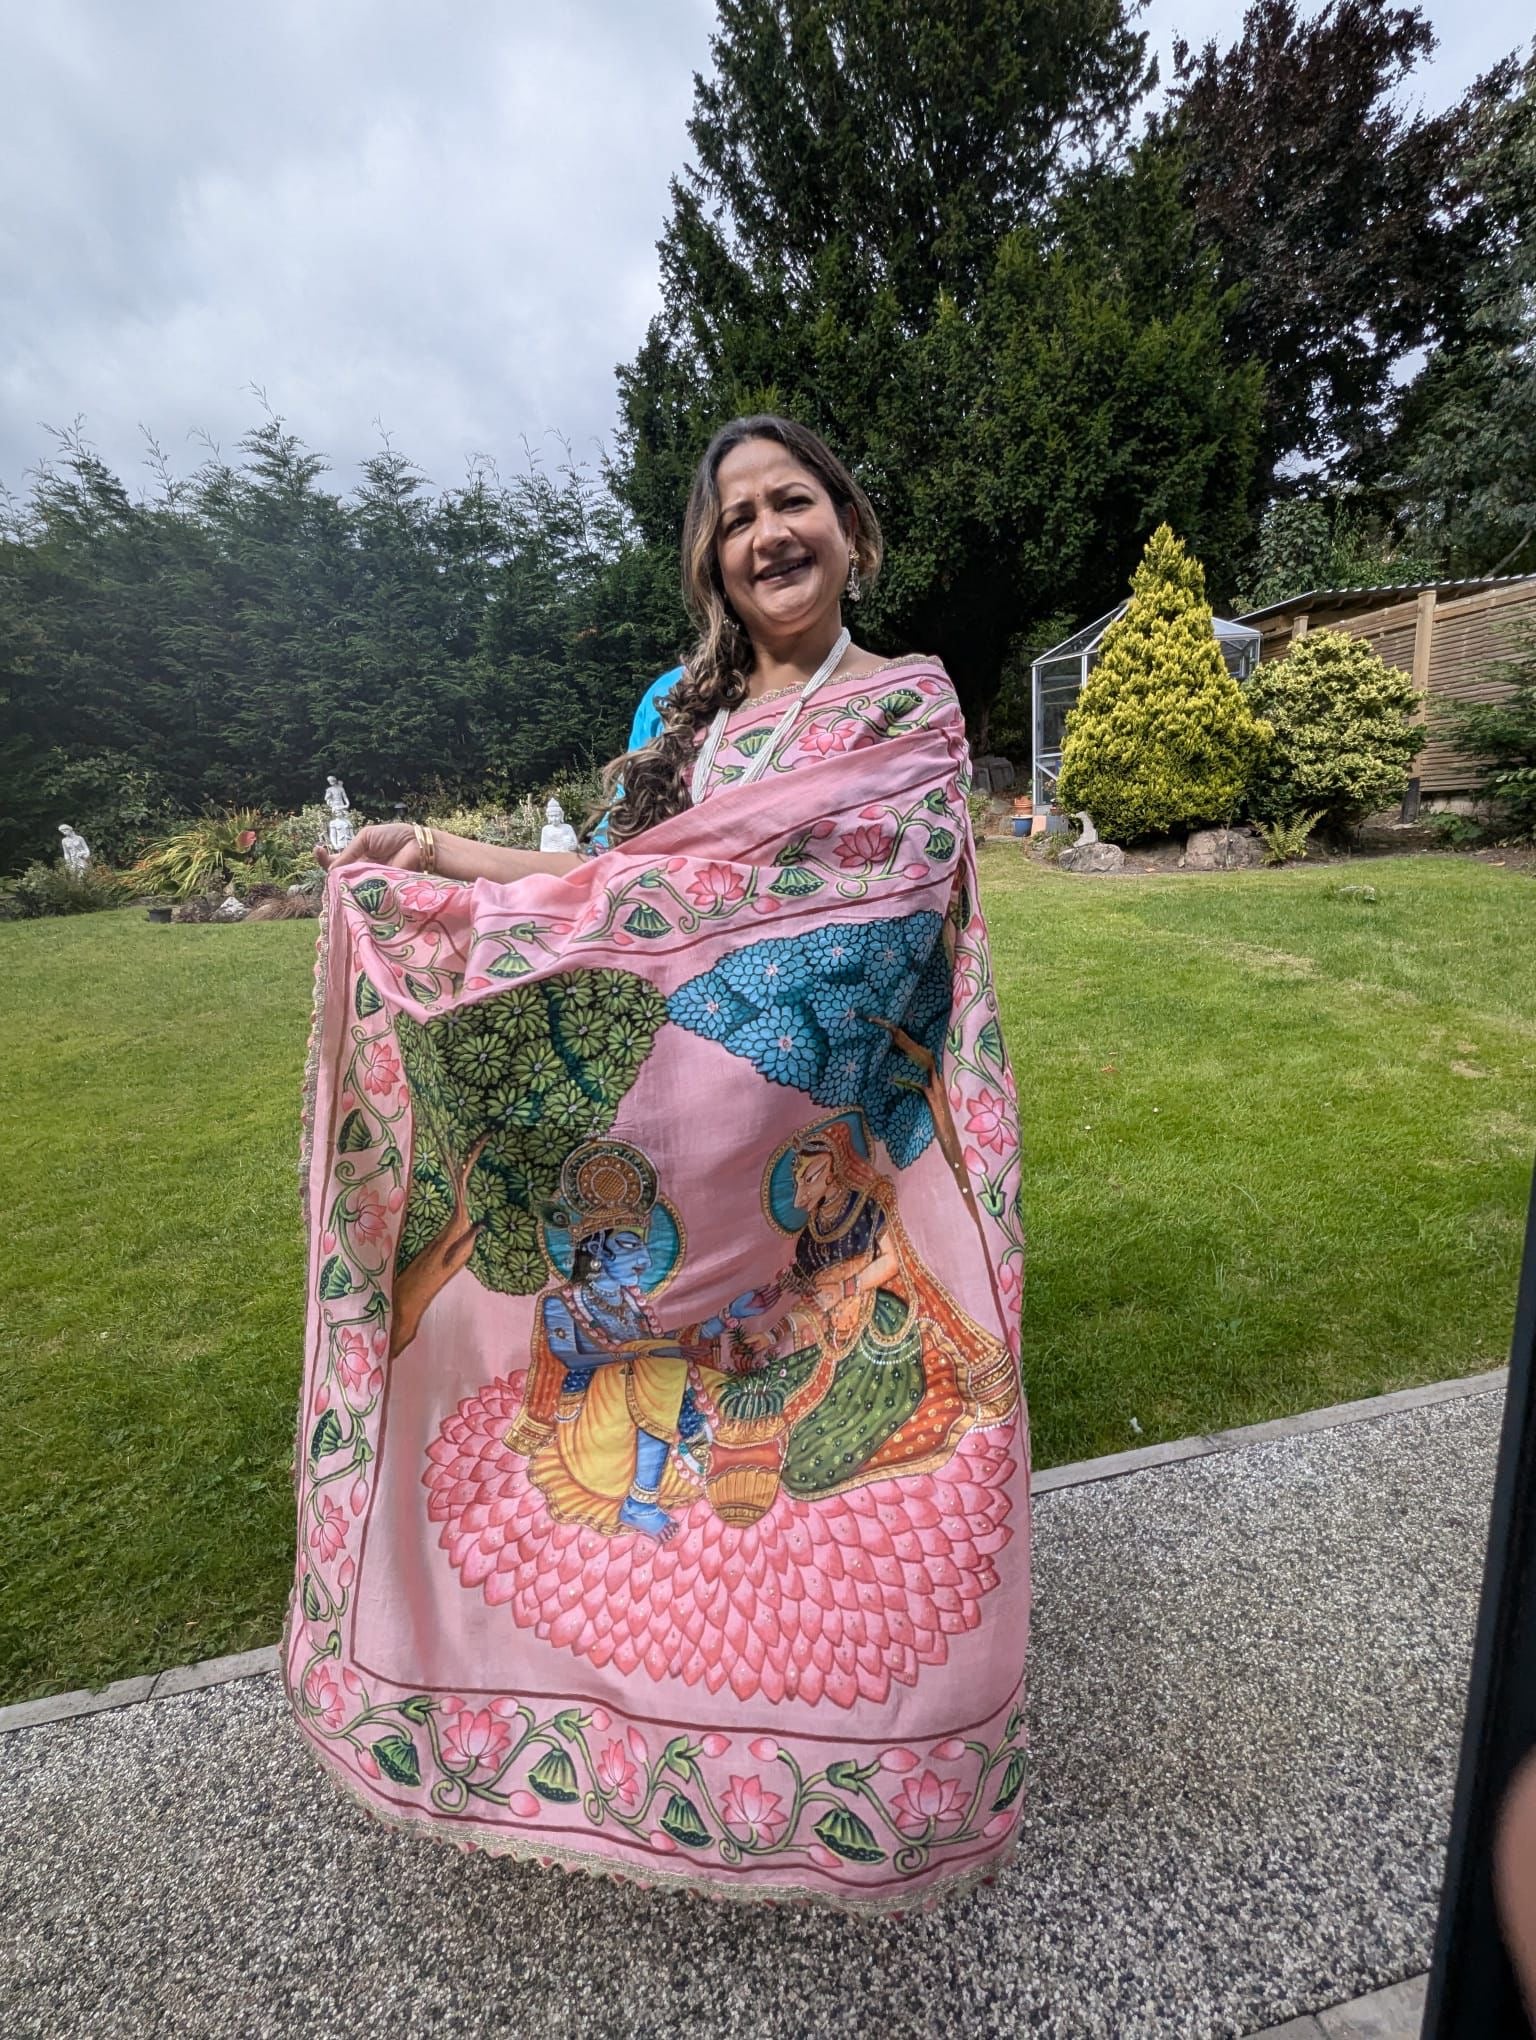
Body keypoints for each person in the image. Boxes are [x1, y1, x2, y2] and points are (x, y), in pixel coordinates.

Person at [298, 415, 1028, 1909]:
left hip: (823, 1128)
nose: (772, 533)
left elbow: (889, 923)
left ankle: (852, 1771)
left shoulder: (905, 712)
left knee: (847, 1443)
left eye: (797, 501)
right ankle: (636, 1734)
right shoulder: (675, 718)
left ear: (851, 525)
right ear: (709, 558)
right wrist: (437, 862)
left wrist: (755, 1074)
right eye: (739, 515)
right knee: (618, 1411)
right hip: (656, 1114)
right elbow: (609, 896)